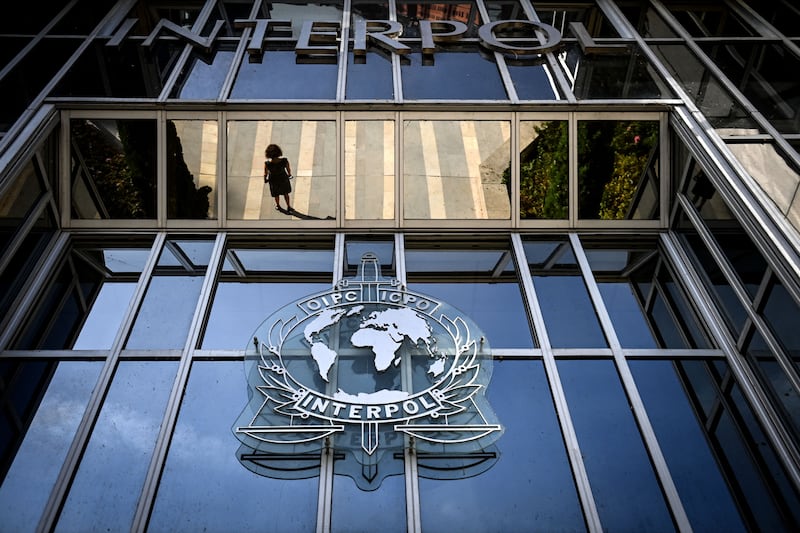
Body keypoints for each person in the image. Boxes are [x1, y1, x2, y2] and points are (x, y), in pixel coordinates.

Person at [264, 144, 293, 212]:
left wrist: (265, 180)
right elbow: (288, 169)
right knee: (286, 193)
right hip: (283, 179)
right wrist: (289, 174)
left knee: (276, 194)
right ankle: (288, 206)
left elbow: (266, 173)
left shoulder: (267, 164)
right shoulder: (284, 160)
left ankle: (278, 205)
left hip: (273, 180)